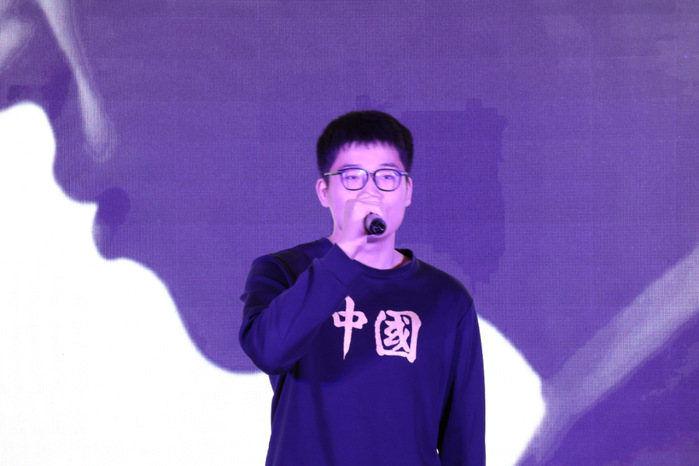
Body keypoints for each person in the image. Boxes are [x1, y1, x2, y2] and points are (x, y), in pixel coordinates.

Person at [239, 110, 486, 465]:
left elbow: (464, 439)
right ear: (324, 191)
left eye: (386, 177)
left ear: (407, 191)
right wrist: (345, 253)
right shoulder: (281, 271)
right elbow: (269, 352)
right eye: (352, 177)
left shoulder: (448, 300)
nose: (370, 192)